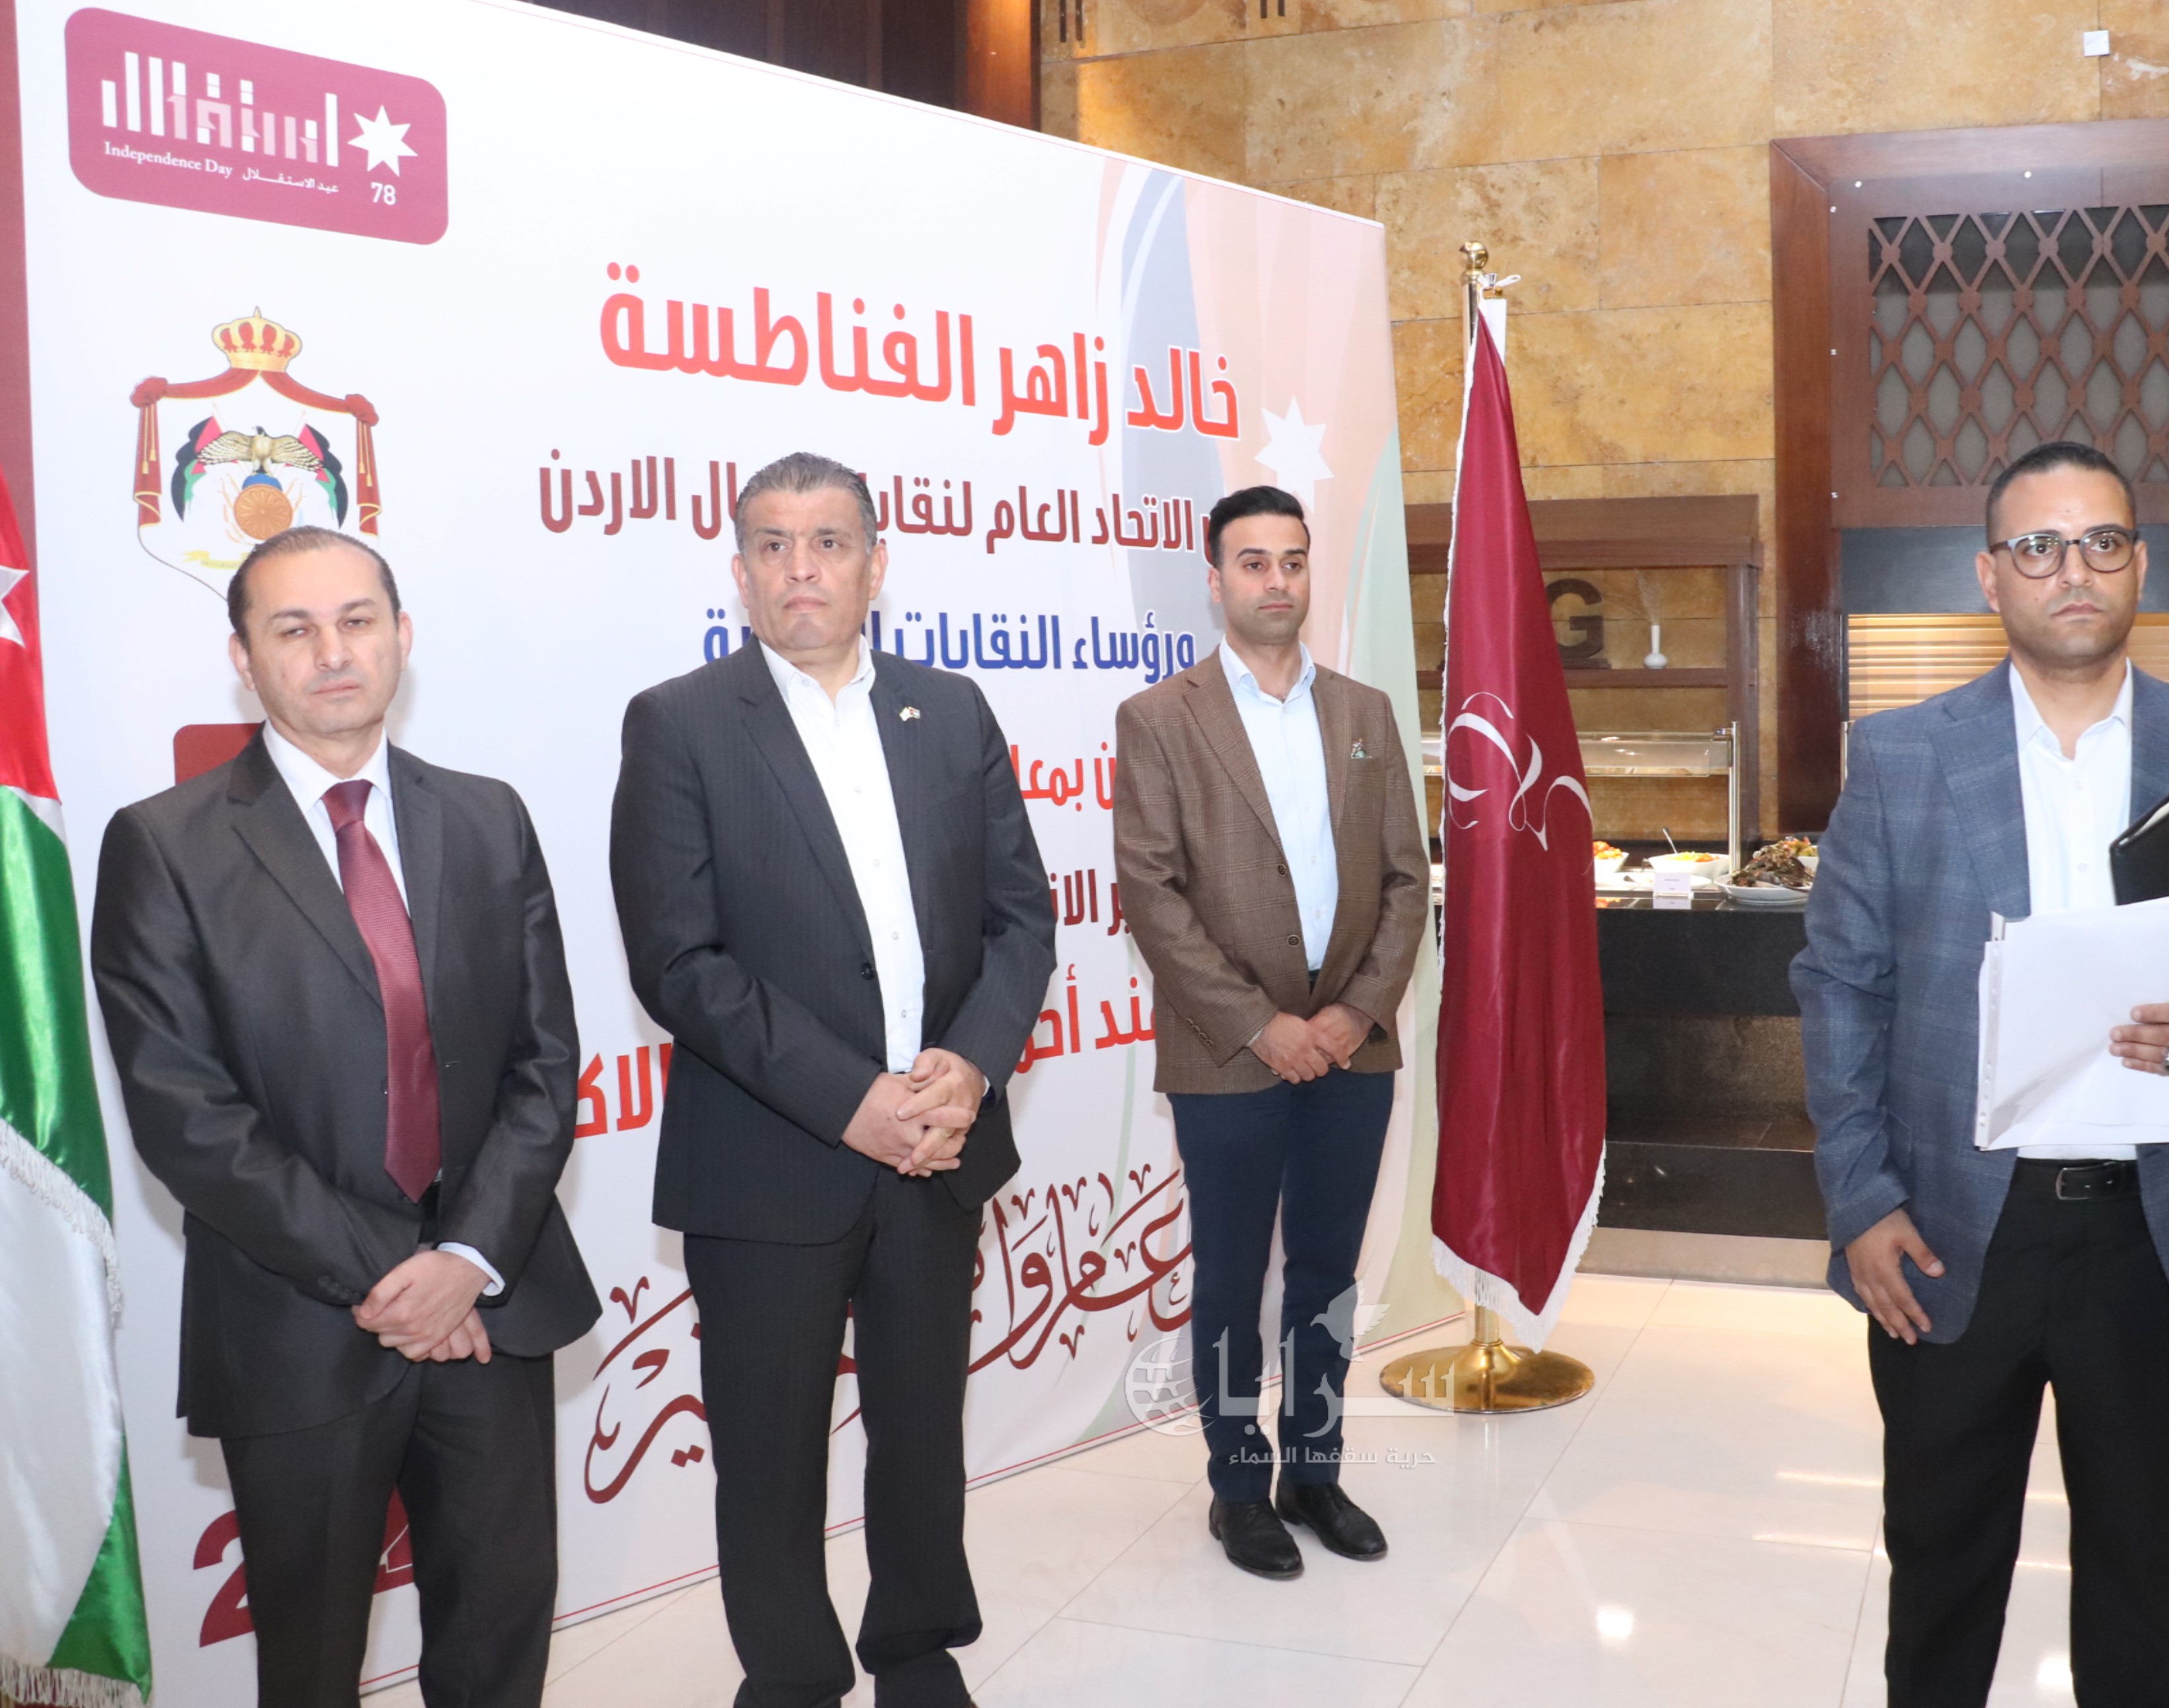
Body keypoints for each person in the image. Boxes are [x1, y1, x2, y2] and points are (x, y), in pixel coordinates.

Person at [1790, 442, 2169, 1708]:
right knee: (1941, 1574)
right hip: (1946, 1232)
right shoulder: (1900, 756)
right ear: (1990, 575)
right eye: (2038, 546)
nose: (2073, 570)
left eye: (2101, 541)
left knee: (2144, 1585)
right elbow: (1840, 986)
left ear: (2140, 565)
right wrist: (1860, 1199)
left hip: (2155, 1231)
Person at [92, 526, 597, 1708]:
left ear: (401, 637)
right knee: (312, 1664)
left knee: (500, 1643)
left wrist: (464, 1262)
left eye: (358, 621)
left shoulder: (489, 817)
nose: (333, 652)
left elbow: (543, 1065)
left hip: (492, 1306)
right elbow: (186, 1114)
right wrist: (397, 1278)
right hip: (299, 1324)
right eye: (295, 629)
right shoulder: (164, 845)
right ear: (244, 658)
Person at [610, 453, 1055, 1708]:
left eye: (828, 542)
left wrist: (970, 1066)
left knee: (921, 1432)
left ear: (875, 564)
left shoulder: (950, 710)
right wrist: (852, 1100)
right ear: (740, 570)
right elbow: (677, 960)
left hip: (939, 1151)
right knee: (767, 1456)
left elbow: (1022, 920)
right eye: (773, 544)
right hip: (769, 1163)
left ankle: (916, 1649)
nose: (801, 568)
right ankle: (794, 1677)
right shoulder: (680, 722)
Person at [1112, 484, 1429, 1581]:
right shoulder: (1161, 718)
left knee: (1328, 1275)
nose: (1276, 582)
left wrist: (1351, 1014)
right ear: (1215, 581)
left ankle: (1315, 1474)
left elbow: (1407, 881)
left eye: (1292, 561)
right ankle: (1240, 1489)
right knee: (1234, 1275)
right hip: (1226, 1054)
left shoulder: (1365, 713)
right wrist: (1262, 1026)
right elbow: (1152, 897)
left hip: (1354, 1049)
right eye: (1253, 563)